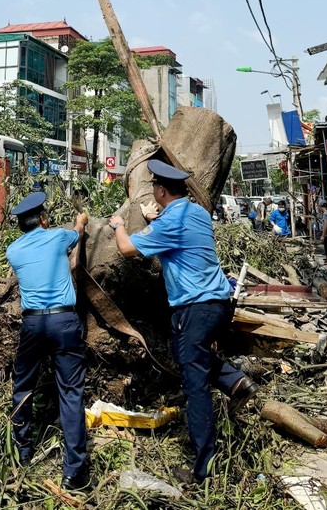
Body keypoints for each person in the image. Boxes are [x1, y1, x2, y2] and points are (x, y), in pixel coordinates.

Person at [108, 160, 257, 484]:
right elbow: (174, 231)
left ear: (160, 191)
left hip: (194, 310)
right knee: (193, 356)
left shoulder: (168, 224)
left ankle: (204, 470)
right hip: (220, 305)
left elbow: (126, 248)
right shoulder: (198, 213)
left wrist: (119, 223)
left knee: (195, 386)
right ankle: (235, 381)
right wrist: (153, 220)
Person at [6, 192, 89, 491]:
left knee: (23, 386)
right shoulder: (58, 237)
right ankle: (74, 471)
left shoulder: (12, 251)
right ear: (43, 219)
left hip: (32, 324)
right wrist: (80, 222)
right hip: (64, 322)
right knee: (70, 392)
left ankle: (22, 451)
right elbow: (76, 236)